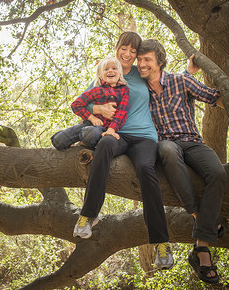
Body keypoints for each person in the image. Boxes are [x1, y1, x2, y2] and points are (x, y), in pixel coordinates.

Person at [136, 39, 229, 283]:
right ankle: (200, 228)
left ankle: (199, 244)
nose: (141, 64)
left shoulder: (180, 80)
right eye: (139, 60)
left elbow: (215, 97)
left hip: (192, 141)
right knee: (166, 150)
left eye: (147, 60)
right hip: (165, 143)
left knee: (218, 173)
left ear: (159, 62)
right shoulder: (139, 90)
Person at [71, 32, 174, 270]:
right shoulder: (105, 72)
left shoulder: (141, 74)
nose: (127, 54)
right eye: (123, 48)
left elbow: (168, 81)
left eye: (133, 51)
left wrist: (191, 72)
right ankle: (89, 214)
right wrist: (98, 108)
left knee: (147, 169)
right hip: (115, 134)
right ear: (116, 48)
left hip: (144, 137)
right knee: (104, 145)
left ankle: (161, 242)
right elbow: (83, 102)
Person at [51, 57, 129, 150]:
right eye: (106, 69)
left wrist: (111, 130)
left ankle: (85, 140)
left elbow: (122, 112)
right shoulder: (96, 90)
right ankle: (79, 138)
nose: (110, 71)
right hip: (88, 124)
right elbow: (76, 105)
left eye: (114, 68)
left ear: (120, 74)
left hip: (103, 129)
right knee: (58, 141)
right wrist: (92, 118)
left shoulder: (124, 90)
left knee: (91, 133)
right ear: (100, 75)